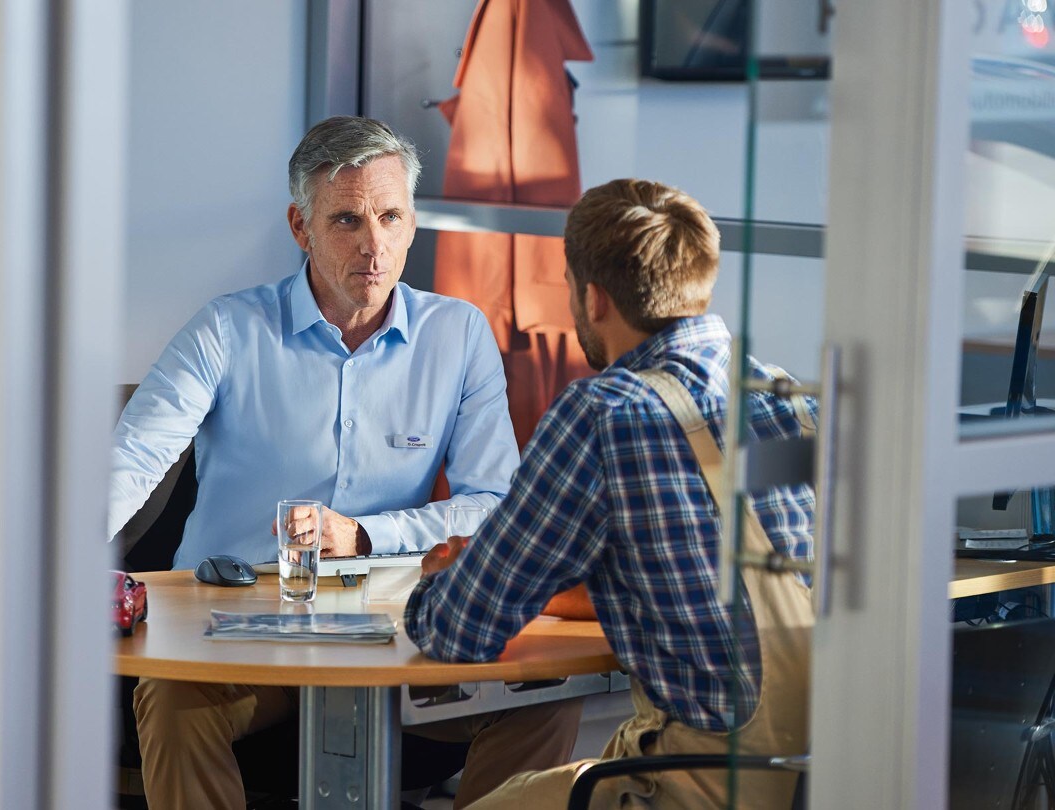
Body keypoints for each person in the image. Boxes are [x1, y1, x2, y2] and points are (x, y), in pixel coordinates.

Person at [120, 115, 584, 809]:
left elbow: (494, 503)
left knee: (544, 701)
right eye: (347, 221)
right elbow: (132, 456)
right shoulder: (227, 328)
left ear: (412, 220)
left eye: (391, 217)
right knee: (170, 697)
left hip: (399, 627)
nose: (375, 246)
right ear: (300, 228)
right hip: (238, 631)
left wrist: (366, 536)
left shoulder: (456, 335)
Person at [405, 178, 817, 810]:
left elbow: (460, 628)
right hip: (831, 772)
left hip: (695, 781)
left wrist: (435, 576)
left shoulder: (605, 413)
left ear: (594, 298)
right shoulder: (787, 399)